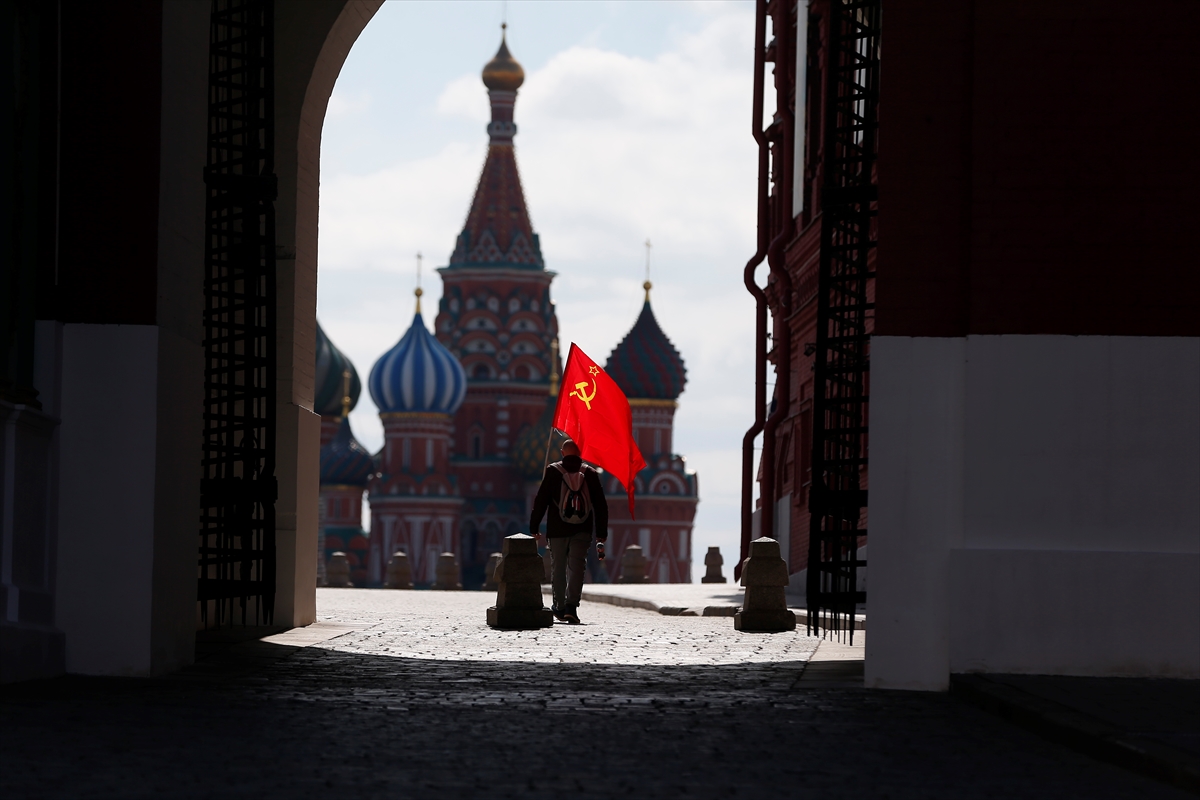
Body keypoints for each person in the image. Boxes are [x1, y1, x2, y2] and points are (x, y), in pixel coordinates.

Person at [529, 439, 607, 623]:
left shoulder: (553, 472)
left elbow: (541, 501)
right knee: (577, 567)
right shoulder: (590, 473)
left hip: (557, 529)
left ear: (562, 453)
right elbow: (601, 506)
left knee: (559, 567)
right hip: (583, 529)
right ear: (580, 455)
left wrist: (534, 527)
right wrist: (601, 534)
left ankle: (560, 606)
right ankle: (572, 606)